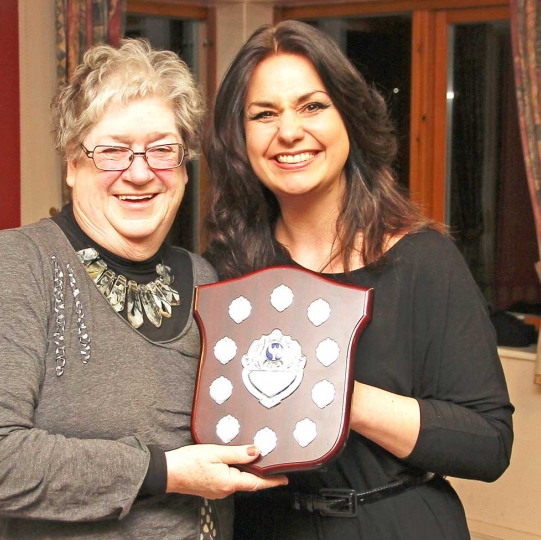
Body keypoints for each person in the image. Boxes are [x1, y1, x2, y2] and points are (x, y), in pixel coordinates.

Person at [0, 39, 286, 540]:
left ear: (183, 168)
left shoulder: (207, 279)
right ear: (73, 165)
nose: (140, 172)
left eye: (162, 149)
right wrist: (163, 472)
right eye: (113, 151)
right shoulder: (21, 264)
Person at [204, 21, 514, 540]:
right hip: (264, 526)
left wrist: (331, 393)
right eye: (264, 114)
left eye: (312, 106)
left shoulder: (424, 262)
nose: (288, 132)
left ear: (350, 116)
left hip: (397, 524)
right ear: (240, 138)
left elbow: (489, 444)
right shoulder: (225, 269)